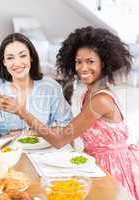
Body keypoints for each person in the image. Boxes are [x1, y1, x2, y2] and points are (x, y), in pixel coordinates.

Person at [10, 27, 139, 199]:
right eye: (79, 62)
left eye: (90, 61)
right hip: (95, 164)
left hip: (113, 169)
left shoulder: (100, 100)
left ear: (104, 63)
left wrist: (21, 112)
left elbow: (60, 140)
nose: (83, 67)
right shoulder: (88, 93)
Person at [0, 33, 73, 140]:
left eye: (23, 55)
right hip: (7, 153)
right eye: (10, 58)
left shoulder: (50, 87)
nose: (17, 63)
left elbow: (66, 127)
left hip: (43, 153)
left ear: (31, 57)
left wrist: (28, 133)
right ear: (4, 62)